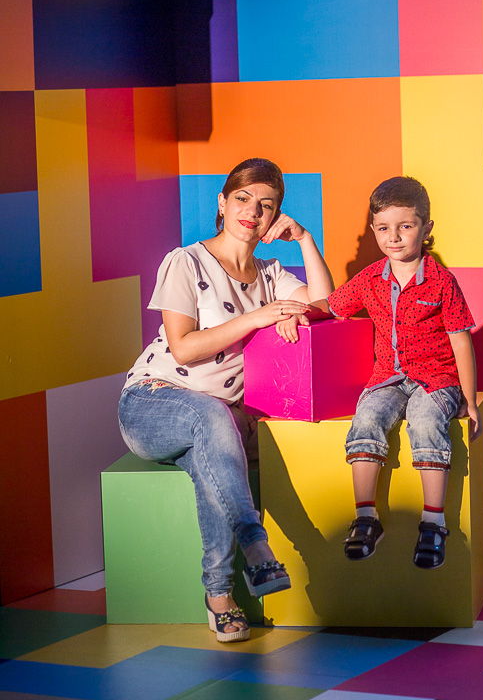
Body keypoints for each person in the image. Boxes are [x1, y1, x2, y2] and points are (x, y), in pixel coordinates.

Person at [118, 158, 333, 642]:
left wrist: (304, 240)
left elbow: (325, 308)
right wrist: (258, 318)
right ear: (222, 201)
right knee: (215, 416)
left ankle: (219, 596)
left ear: (275, 215)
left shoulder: (271, 274)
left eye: (266, 205)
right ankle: (257, 544)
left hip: (215, 422)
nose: (252, 212)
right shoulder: (185, 261)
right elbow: (183, 347)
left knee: (211, 459)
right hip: (152, 404)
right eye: (242, 198)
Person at [327, 176, 481, 569]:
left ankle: (433, 522)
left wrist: (469, 399)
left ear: (426, 228)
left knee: (426, 421)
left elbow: (462, 342)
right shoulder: (370, 278)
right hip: (387, 379)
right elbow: (333, 306)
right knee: (366, 418)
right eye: (383, 228)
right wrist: (293, 313)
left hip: (436, 380)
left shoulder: (442, 282)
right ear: (374, 229)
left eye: (405, 226)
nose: (393, 237)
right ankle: (366, 517)